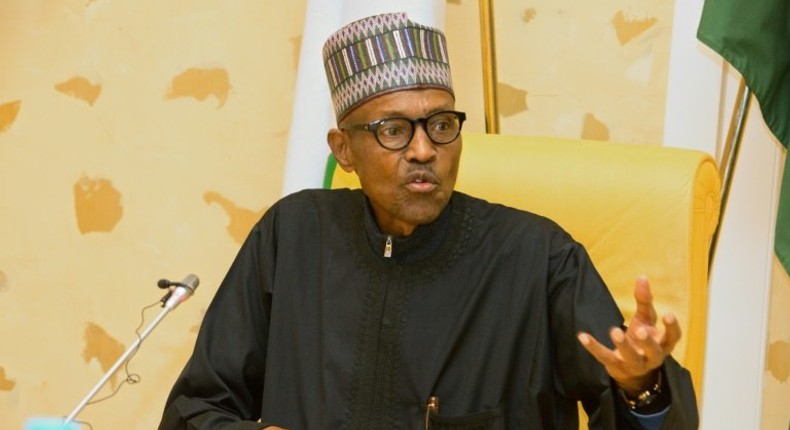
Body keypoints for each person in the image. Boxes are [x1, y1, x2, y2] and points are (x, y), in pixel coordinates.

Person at [158, 12, 698, 430]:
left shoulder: (539, 258)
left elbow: (636, 404)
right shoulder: (292, 236)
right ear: (343, 150)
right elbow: (197, 406)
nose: (423, 150)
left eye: (441, 124)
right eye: (394, 130)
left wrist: (642, 387)